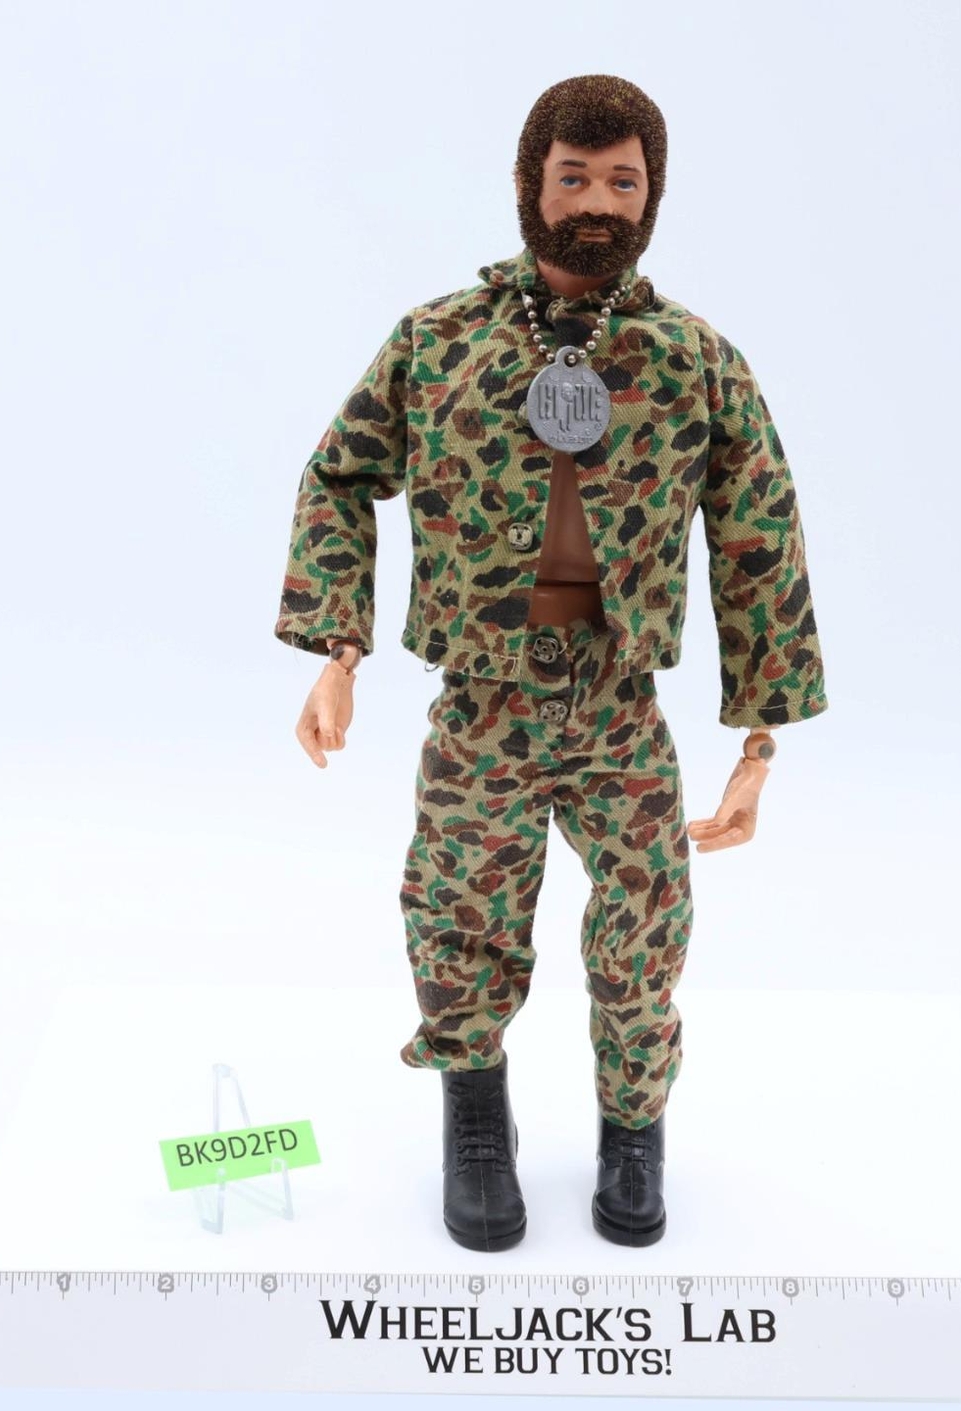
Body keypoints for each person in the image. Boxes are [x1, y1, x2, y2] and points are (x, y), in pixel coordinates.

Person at [276, 75, 826, 1251]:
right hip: (482, 698)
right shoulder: (440, 340)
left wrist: (758, 742)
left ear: (651, 196)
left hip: (618, 701)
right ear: (530, 185)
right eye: (573, 177)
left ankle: (634, 1129)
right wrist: (338, 648)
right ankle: (475, 1118)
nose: (597, 203)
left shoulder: (692, 359)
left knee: (645, 925)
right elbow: (339, 475)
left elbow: (758, 538)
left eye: (622, 181)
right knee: (458, 911)